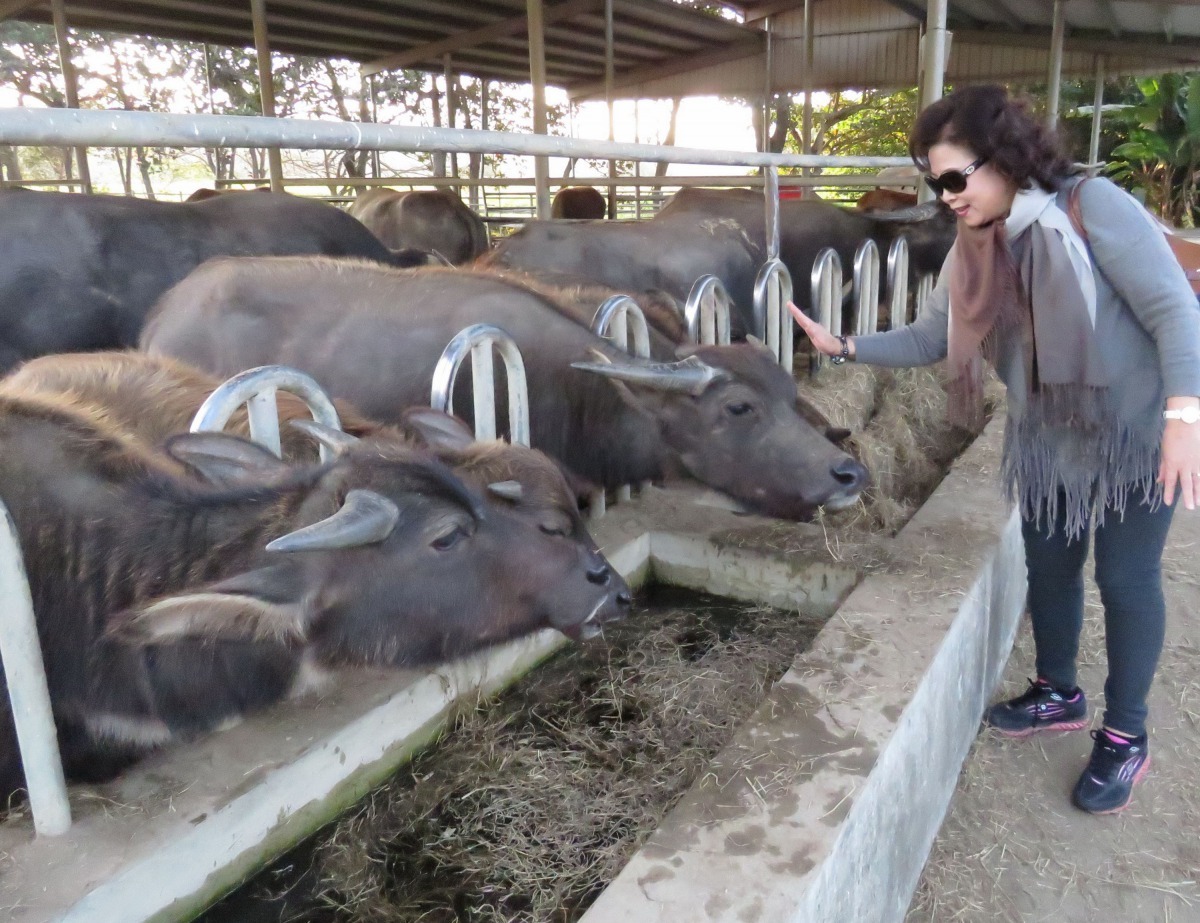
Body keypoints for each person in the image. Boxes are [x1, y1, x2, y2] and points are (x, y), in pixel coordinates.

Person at [790, 84, 1200, 815]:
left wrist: (1182, 419)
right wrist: (844, 343)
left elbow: (1174, 309)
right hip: (1047, 439)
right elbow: (931, 336)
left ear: (1004, 156)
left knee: (1127, 575)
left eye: (954, 177)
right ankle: (1058, 691)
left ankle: (1127, 734)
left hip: (1137, 428)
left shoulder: (1091, 206)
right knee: (1049, 563)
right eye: (933, 181)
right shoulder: (974, 245)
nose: (945, 196)